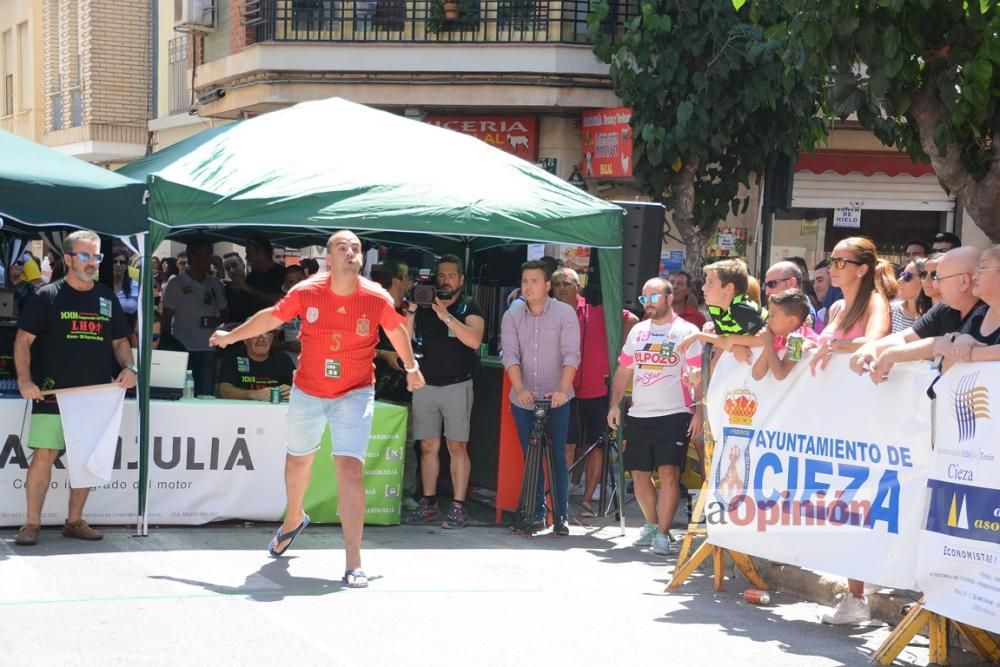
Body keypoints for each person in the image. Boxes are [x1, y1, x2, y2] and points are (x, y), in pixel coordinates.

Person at [209, 230, 425, 588]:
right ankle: (293, 518)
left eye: (356, 248)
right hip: (308, 389)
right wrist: (231, 336)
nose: (351, 252)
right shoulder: (307, 290)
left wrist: (412, 367)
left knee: (350, 469)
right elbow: (272, 317)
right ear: (329, 258)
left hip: (354, 392)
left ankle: (354, 561)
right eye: (343, 247)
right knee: (298, 460)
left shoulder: (374, 296)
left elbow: (397, 329)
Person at [13, 230, 136, 546]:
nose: (92, 262)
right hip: (53, 393)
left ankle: (75, 521)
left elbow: (120, 341)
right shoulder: (47, 296)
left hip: (95, 396)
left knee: (87, 459)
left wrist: (129, 367)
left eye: (97, 256)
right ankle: (31, 524)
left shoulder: (107, 298)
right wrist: (25, 381)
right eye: (85, 255)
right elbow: (23, 341)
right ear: (68, 258)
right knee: (44, 454)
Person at [808, 237, 892, 626]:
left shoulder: (874, 301)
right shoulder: (838, 307)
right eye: (832, 259)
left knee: (859, 502)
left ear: (862, 268)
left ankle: (859, 594)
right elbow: (828, 348)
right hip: (834, 419)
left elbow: (875, 342)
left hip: (866, 419)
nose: (835, 266)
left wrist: (834, 350)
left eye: (842, 261)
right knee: (842, 504)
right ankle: (856, 588)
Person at [608, 277, 702, 555]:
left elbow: (698, 376)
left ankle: (663, 533)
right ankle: (651, 524)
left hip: (675, 413)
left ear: (670, 298)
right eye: (643, 299)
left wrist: (698, 410)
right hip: (639, 413)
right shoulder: (637, 331)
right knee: (638, 474)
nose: (648, 303)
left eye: (654, 297)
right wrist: (614, 405)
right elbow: (624, 371)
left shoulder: (687, 331)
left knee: (670, 473)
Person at [501, 260, 579, 535]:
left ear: (547, 286)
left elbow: (572, 355)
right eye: (524, 281)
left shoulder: (564, 313)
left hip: (558, 396)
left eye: (534, 281)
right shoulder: (512, 315)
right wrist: (520, 388)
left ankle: (561, 516)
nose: (528, 286)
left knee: (557, 455)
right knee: (531, 455)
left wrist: (561, 389)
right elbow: (509, 354)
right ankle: (534, 513)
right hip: (524, 397)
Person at [407, 255, 485, 529]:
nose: (446, 280)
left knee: (457, 446)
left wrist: (446, 316)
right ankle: (428, 502)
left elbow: (475, 340)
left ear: (461, 280)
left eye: (452, 275)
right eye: (442, 275)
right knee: (428, 446)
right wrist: (413, 308)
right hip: (425, 384)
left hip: (457, 385)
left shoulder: (469, 305)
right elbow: (404, 339)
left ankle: (458, 504)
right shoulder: (424, 304)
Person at [552, 267, 638, 516]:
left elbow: (630, 319)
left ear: (577, 286)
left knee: (596, 446)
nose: (562, 288)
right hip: (564, 391)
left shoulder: (595, 307)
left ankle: (588, 500)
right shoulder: (551, 312)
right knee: (565, 445)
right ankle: (562, 500)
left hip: (598, 390)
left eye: (567, 283)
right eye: (557, 284)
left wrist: (618, 353)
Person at [851, 247, 985, 382]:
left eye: (938, 278)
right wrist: (870, 349)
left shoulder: (990, 313)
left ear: (964, 281)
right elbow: (906, 338)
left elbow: (942, 345)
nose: (934, 285)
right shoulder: (945, 308)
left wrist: (890, 355)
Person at [370, 259, 419, 512]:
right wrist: (384, 354)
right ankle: (374, 494)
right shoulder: (375, 307)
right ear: (397, 280)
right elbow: (361, 342)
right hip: (376, 389)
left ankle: (406, 493)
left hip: (407, 390)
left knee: (408, 444)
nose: (413, 281)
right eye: (409, 275)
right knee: (374, 443)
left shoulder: (413, 309)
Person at [161, 240, 228, 396]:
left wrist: (216, 321)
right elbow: (166, 318)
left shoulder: (215, 283)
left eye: (209, 255)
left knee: (206, 394)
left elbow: (225, 313)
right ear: (191, 257)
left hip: (208, 349)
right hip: (182, 348)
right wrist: (169, 346)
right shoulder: (176, 284)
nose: (208, 260)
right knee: (182, 393)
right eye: (204, 256)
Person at [752, 289, 819, 381]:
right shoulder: (779, 337)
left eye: (772, 315)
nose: (767, 320)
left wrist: (768, 343)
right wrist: (769, 342)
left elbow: (780, 374)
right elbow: (757, 374)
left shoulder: (798, 339)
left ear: (792, 321)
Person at [217, 328, 294, 401]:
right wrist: (253, 394)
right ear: (245, 340)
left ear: (271, 339)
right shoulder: (233, 358)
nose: (261, 339)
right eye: (255, 334)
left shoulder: (283, 360)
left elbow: (301, 389)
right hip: (240, 410)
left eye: (266, 334)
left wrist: (292, 391)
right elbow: (224, 391)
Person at [228, 237, 284, 313]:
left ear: (260, 252)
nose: (246, 258)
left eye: (249, 253)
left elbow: (281, 300)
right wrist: (237, 289)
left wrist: (248, 288)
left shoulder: (282, 274)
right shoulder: (251, 277)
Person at [764, 260, 817, 326]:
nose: (767, 291)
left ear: (791, 283)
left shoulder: (802, 313)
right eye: (765, 285)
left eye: (772, 284)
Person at [890, 260, 930, 333]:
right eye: (902, 275)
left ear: (924, 280)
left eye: (907, 276)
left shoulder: (934, 316)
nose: (899, 280)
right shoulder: (891, 310)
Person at [222, 252, 253, 323]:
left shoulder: (255, 285)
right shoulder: (224, 290)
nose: (232, 270)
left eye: (234, 265)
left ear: (243, 266)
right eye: (227, 268)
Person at [111, 251, 140, 318]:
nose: (118, 264)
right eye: (115, 262)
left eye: (122, 262)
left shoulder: (136, 287)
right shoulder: (103, 286)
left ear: (126, 266)